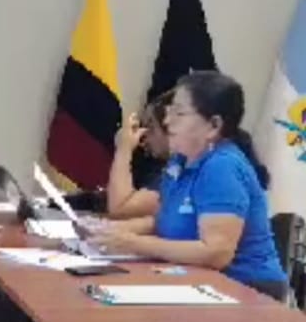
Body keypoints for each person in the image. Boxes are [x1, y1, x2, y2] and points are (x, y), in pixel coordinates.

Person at [89, 71, 286, 298]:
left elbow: (216, 253)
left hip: (247, 290)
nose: (167, 121)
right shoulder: (179, 162)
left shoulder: (222, 166)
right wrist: (110, 232)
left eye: (179, 113)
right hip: (199, 282)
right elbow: (166, 221)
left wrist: (134, 243)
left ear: (213, 126)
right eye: (169, 111)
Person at [105, 90, 172, 219]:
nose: (143, 137)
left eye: (151, 127)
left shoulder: (186, 172)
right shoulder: (165, 168)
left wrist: (124, 148)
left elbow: (119, 209)